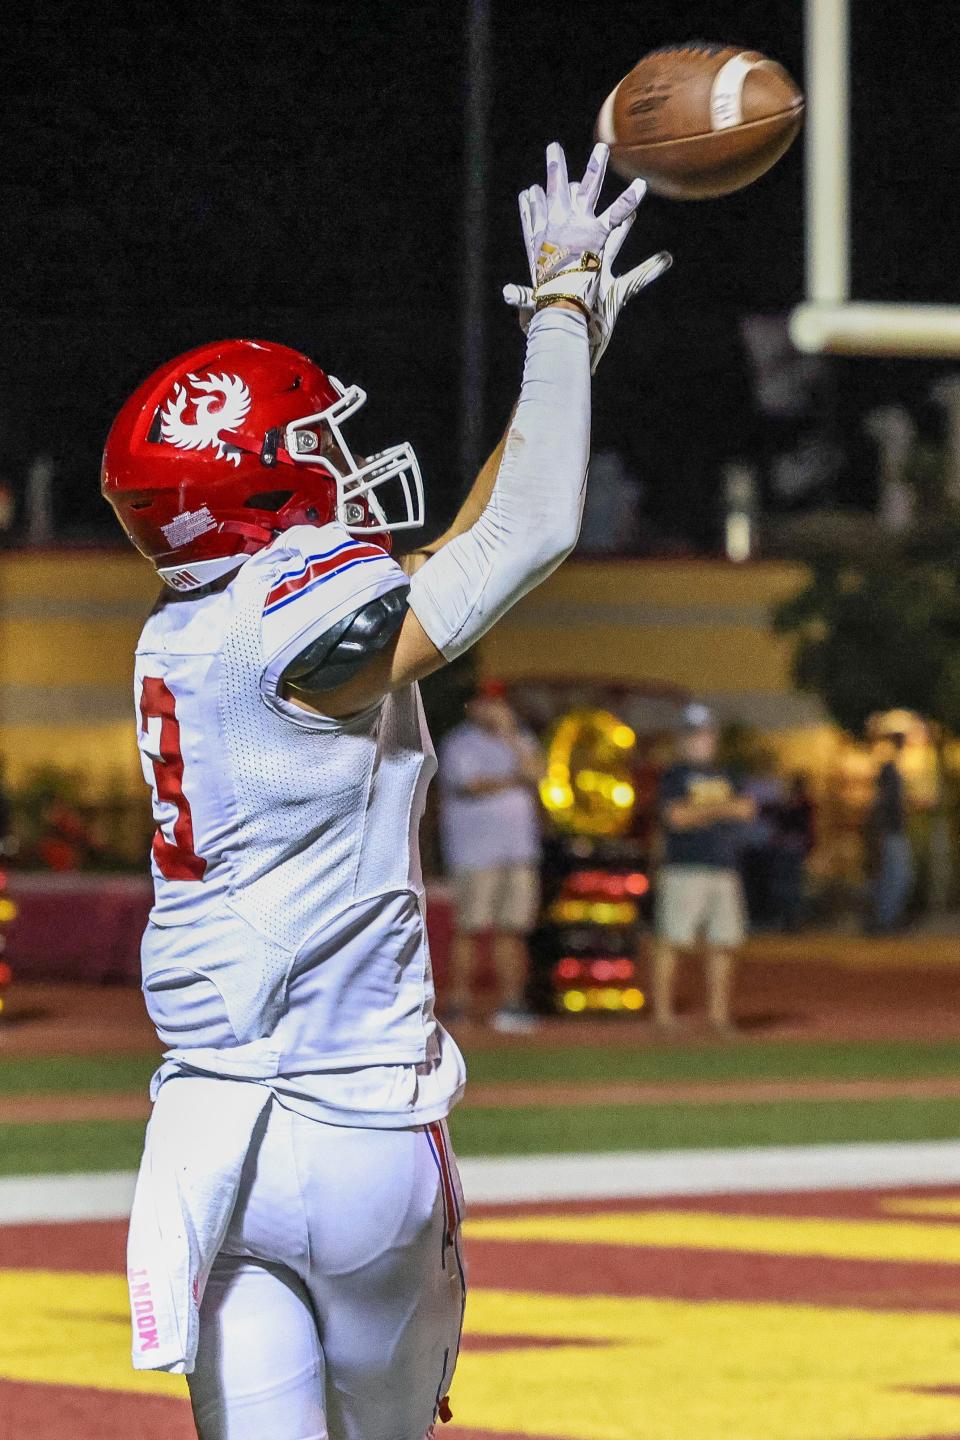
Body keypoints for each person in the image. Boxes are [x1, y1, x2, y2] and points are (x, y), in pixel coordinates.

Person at [101, 142, 669, 1440]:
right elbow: (522, 542)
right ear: (253, 479)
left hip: (214, 1141)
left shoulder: (184, 630)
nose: (338, 461)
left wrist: (563, 364)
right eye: (309, 440)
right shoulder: (300, 619)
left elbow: (460, 552)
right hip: (357, 1128)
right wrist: (564, 304)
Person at [438, 680, 544, 1031]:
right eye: (486, 702)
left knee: (512, 929)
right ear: (474, 706)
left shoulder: (520, 739)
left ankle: (511, 1004)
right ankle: (458, 1004)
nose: (494, 709)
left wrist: (510, 733)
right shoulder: (460, 742)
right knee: (469, 928)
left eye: (498, 703)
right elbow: (470, 785)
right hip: (475, 853)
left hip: (517, 851)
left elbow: (539, 774)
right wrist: (515, 779)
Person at [651, 704, 755, 1034]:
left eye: (706, 734)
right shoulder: (675, 775)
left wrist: (704, 810)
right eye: (694, 735)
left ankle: (719, 1016)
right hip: (684, 869)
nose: (701, 741)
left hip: (723, 868)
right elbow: (676, 818)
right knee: (673, 941)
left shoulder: (728, 773)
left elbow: (747, 810)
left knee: (723, 943)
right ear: (683, 740)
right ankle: (664, 1017)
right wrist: (722, 808)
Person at [866, 728, 914, 933]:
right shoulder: (889, 770)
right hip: (890, 832)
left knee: (898, 876)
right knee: (895, 877)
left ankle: (886, 919)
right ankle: (884, 920)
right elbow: (881, 803)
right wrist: (879, 831)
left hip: (895, 831)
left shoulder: (894, 770)